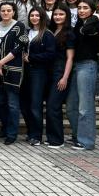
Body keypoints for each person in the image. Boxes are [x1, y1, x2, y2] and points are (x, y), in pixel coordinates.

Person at [67, 0, 99, 151]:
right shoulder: (78, 24)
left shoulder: (97, 25)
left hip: (88, 65)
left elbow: (86, 31)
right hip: (76, 66)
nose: (81, 10)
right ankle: (77, 136)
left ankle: (86, 141)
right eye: (79, 8)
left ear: (92, 10)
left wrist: (94, 18)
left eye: (85, 8)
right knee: (71, 106)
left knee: (85, 107)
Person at [0, 2, 28, 145]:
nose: (5, 13)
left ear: (13, 12)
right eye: (3, 10)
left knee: (12, 104)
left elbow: (18, 48)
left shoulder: (20, 26)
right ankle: (4, 129)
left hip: (13, 70)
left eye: (8, 10)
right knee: (0, 102)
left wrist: (1, 62)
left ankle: (12, 134)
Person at [21, 7, 56, 146]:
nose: (34, 18)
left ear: (42, 17)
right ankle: (30, 132)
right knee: (24, 104)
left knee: (35, 104)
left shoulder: (47, 34)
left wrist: (32, 58)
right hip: (25, 72)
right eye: (32, 15)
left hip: (39, 72)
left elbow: (50, 54)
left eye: (37, 15)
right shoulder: (26, 32)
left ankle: (36, 136)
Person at [45, 4, 75, 148]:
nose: (57, 17)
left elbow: (70, 58)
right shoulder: (50, 31)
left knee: (53, 105)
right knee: (50, 106)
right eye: (55, 14)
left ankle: (58, 140)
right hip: (48, 71)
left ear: (67, 16)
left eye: (61, 14)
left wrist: (65, 77)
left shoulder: (69, 33)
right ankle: (51, 137)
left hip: (60, 71)